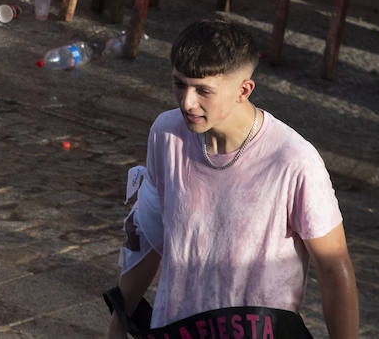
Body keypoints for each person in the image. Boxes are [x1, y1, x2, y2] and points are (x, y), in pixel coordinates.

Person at [107, 17, 359, 339]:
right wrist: (119, 320)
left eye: (203, 90)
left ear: (244, 89)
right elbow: (151, 233)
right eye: (179, 84)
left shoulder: (293, 161)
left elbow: (334, 268)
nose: (187, 102)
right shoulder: (166, 134)